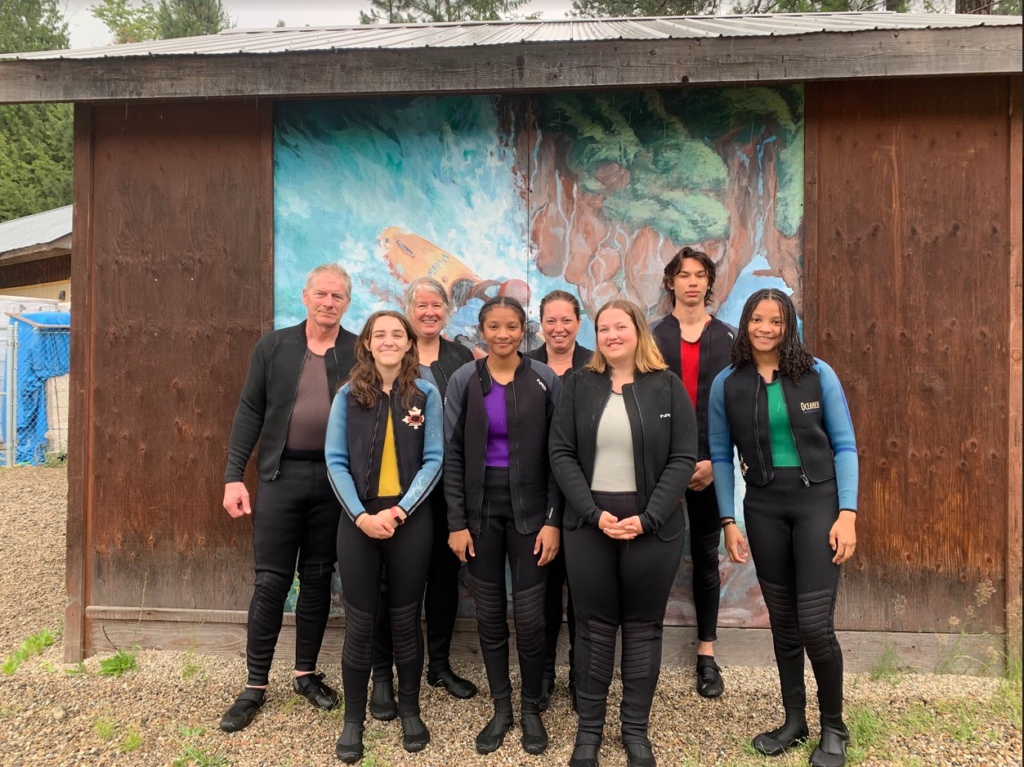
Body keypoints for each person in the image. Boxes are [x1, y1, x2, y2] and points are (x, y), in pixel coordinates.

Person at [708, 288, 858, 767]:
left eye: (776, 320)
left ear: (788, 324)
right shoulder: (727, 383)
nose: (766, 328)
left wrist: (848, 514)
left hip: (819, 504)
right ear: (745, 323)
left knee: (815, 624)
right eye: (757, 319)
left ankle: (834, 727)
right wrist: (728, 520)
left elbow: (845, 447)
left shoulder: (817, 373)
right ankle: (795, 722)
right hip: (765, 509)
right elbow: (719, 456)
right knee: (785, 625)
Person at [549, 299, 697, 767]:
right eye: (604, 328)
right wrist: (592, 514)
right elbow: (561, 453)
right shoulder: (578, 384)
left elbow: (682, 458)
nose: (612, 335)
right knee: (593, 629)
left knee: (641, 629)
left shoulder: (667, 386)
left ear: (638, 332)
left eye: (621, 326)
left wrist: (649, 517)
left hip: (652, 527)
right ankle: (588, 734)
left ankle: (635, 731)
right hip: (590, 523)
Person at [219, 263, 357, 732]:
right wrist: (233, 476)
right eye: (321, 294)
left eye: (337, 296)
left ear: (347, 303)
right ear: (305, 296)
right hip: (280, 477)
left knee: (318, 580)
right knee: (272, 583)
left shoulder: (358, 351)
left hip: (335, 483)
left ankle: (305, 673)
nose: (328, 302)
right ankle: (255, 685)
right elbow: (249, 411)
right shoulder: (273, 346)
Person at [445, 295, 563, 756]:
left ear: (523, 331)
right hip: (478, 517)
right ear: (482, 330)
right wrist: (456, 522)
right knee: (490, 617)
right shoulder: (464, 381)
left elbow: (560, 455)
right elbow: (452, 453)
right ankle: (502, 708)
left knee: (531, 620)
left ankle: (531, 708)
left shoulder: (544, 379)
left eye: (512, 327)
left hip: (532, 516)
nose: (503, 335)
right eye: (493, 327)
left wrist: (553, 521)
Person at [325, 310, 443, 763]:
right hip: (358, 523)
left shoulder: (426, 394)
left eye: (398, 334)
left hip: (408, 519)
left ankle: (410, 708)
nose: (390, 341)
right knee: (359, 623)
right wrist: (360, 516)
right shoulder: (348, 396)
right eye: (381, 334)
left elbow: (434, 459)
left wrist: (399, 510)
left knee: (405, 620)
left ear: (410, 343)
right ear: (368, 344)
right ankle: (354, 720)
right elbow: (335, 461)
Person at [369, 278, 478, 721]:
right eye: (421, 304)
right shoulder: (392, 352)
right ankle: (383, 674)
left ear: (448, 311)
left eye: (438, 305)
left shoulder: (461, 358)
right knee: (387, 583)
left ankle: (438, 665)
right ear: (408, 309)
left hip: (446, 489)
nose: (429, 312)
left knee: (442, 577)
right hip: (393, 492)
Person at [651, 247, 735, 699]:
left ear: (708, 283)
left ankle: (706, 654)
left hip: (708, 466)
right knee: (651, 558)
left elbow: (734, 409)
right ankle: (643, 650)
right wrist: (672, 464)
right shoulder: (652, 337)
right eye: (683, 275)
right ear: (671, 282)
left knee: (705, 559)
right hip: (659, 469)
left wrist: (710, 462)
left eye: (700, 275)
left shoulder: (728, 338)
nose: (692, 283)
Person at [526, 289, 593, 712]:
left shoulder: (597, 364)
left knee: (586, 592)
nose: (559, 328)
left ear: (578, 322)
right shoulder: (524, 366)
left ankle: (582, 674)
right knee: (545, 593)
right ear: (540, 324)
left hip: (589, 493)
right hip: (537, 496)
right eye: (551, 321)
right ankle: (545, 672)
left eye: (566, 320)